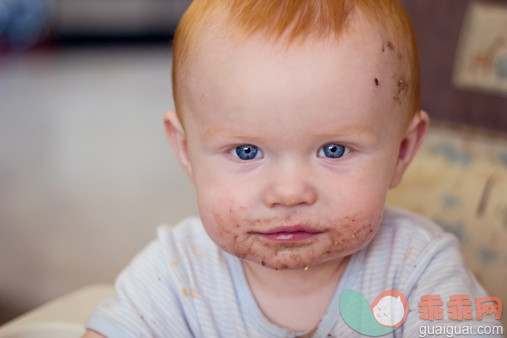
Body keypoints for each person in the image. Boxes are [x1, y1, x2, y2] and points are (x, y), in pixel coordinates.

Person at [84, 0, 504, 337]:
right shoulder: (174, 276)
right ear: (185, 150)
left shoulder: (419, 270)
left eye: (334, 150)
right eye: (247, 152)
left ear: (402, 152)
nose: (289, 193)